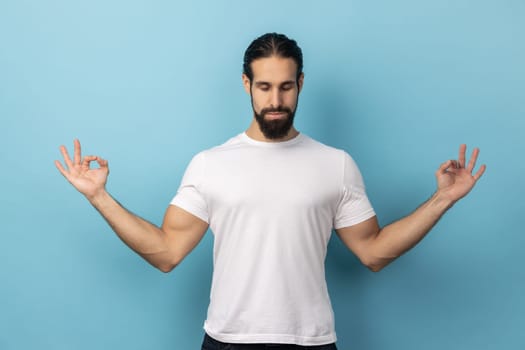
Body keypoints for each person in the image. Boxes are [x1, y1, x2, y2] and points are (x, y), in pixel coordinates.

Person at [55, 33, 486, 350]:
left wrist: (442, 199)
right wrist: (99, 197)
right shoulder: (210, 164)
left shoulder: (335, 164)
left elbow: (373, 252)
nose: (275, 100)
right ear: (247, 85)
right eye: (264, 87)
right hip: (227, 340)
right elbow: (166, 252)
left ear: (300, 82)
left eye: (285, 86)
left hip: (311, 342)